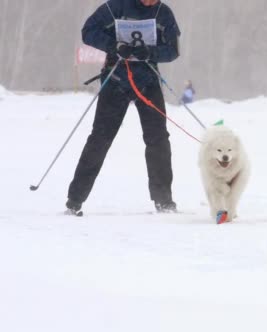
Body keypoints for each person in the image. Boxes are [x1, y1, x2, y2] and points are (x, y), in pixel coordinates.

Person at [65, 0, 181, 215]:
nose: (150, 2)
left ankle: (163, 200)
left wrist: (150, 52)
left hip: (148, 81)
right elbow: (88, 31)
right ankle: (75, 198)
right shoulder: (115, 7)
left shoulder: (163, 13)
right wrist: (114, 46)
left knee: (158, 139)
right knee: (100, 138)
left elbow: (173, 50)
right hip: (116, 79)